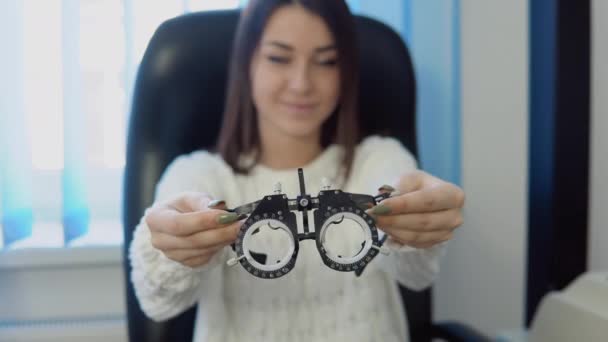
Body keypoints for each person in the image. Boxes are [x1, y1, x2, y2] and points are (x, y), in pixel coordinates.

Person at [129, 0, 464, 341]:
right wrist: (173, 250)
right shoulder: (199, 175)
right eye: (279, 58)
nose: (302, 83)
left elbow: (417, 274)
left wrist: (417, 225)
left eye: (326, 61)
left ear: (345, 71)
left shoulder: (379, 161)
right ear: (247, 62)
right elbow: (158, 303)